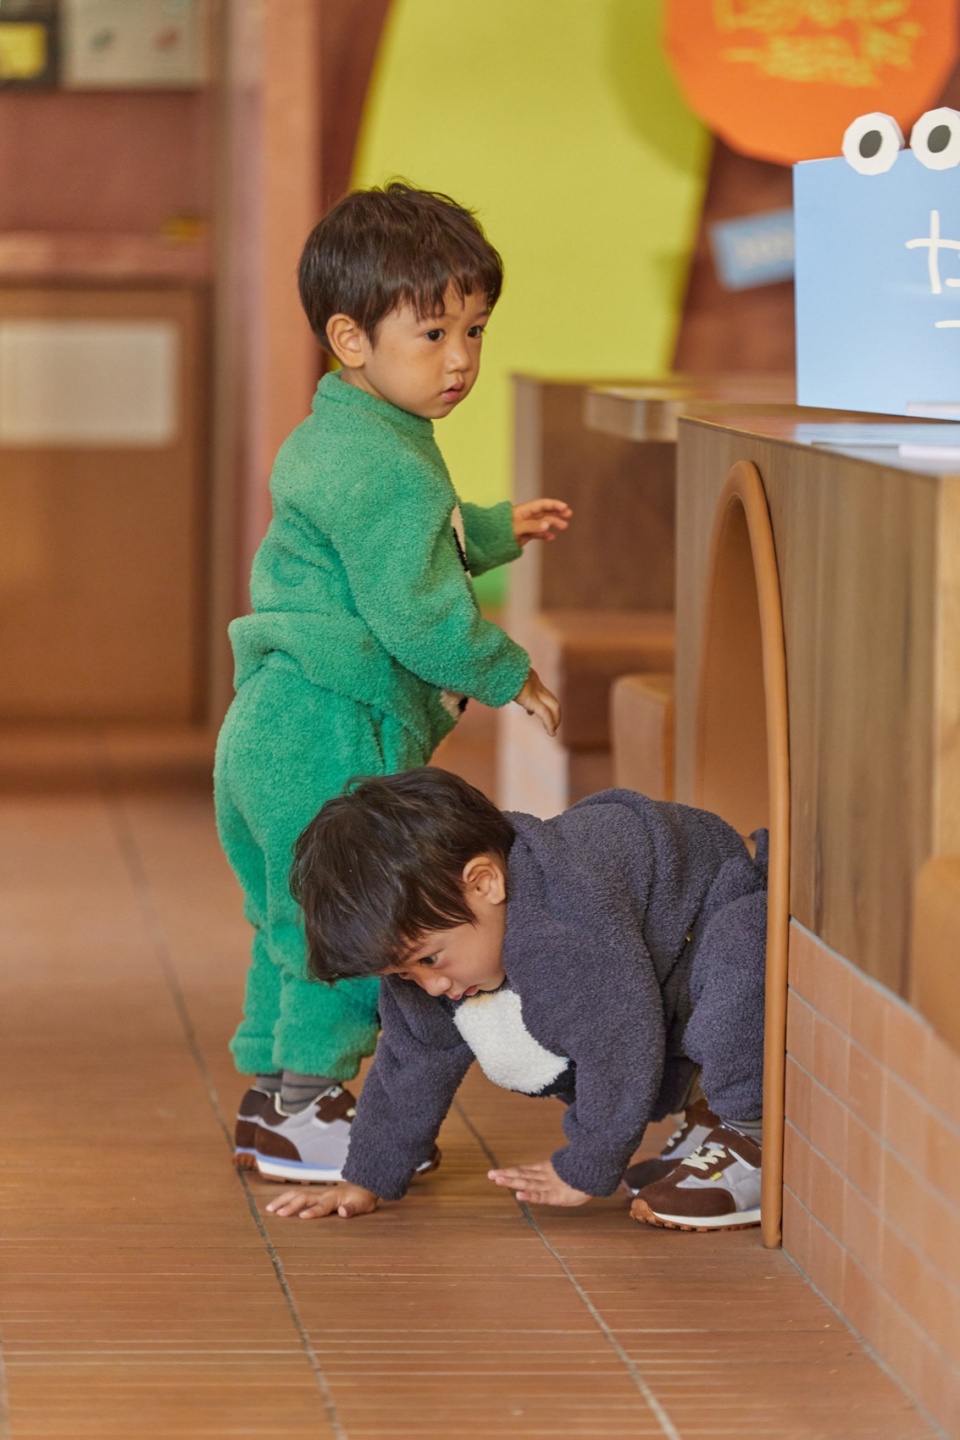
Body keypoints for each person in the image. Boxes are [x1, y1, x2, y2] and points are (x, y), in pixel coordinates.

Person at [215, 184, 571, 1185]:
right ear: (351, 337)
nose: (460, 360)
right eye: (434, 334)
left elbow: (407, 543)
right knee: (350, 919)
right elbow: (414, 609)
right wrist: (506, 673)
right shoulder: (387, 466)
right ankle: (308, 1106)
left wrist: (494, 529)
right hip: (329, 725)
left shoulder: (349, 433)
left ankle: (274, 1102)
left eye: (475, 330)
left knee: (288, 918)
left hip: (274, 724)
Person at [265, 768, 769, 1232]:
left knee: (738, 961)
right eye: (401, 974)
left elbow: (616, 1042)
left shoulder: (560, 922)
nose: (430, 985)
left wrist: (585, 1166)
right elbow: (409, 1062)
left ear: (484, 883)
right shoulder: (439, 938)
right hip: (666, 963)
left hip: (739, 900)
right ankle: (715, 1120)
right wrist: (365, 1179)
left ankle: (754, 1139)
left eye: (429, 960)